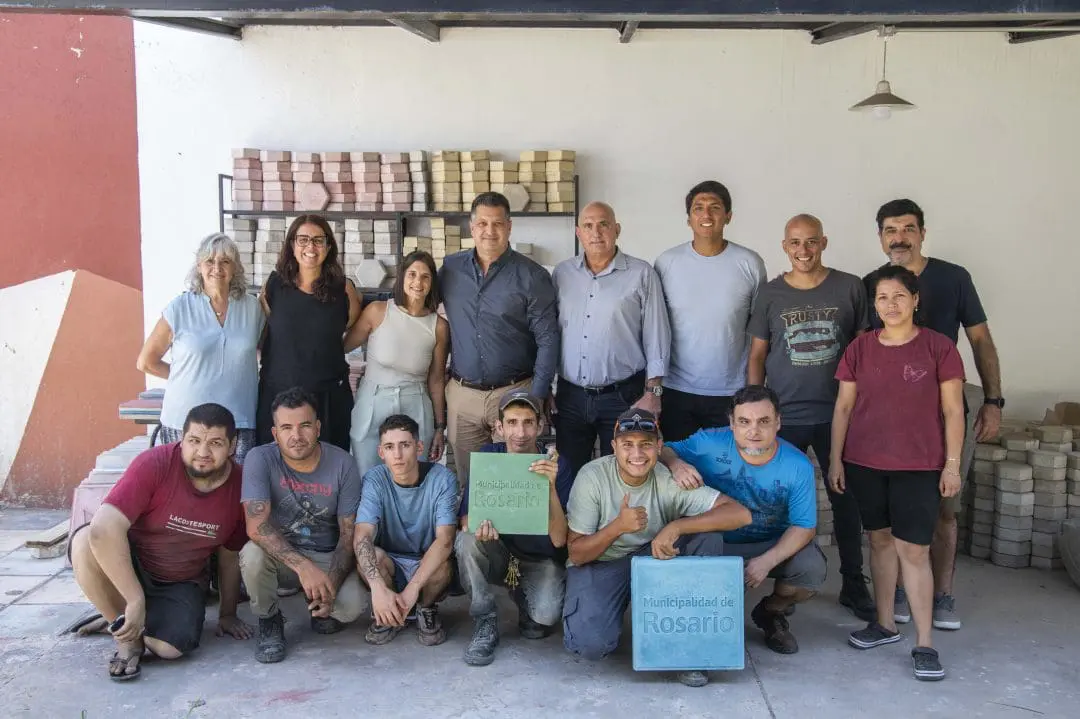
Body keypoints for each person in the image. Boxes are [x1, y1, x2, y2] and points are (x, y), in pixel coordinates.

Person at [865, 199, 1003, 631]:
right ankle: (900, 591)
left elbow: (980, 341)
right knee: (889, 517)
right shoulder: (873, 283)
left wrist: (994, 401)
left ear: (923, 232)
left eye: (908, 228)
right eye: (891, 230)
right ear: (881, 237)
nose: (900, 237)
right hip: (888, 424)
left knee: (943, 509)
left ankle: (942, 595)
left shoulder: (954, 278)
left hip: (945, 416)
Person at [830, 265, 965, 682]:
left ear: (915, 300)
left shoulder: (939, 348)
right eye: (882, 298)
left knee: (914, 551)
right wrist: (836, 459)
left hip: (919, 466)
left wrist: (952, 465)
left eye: (899, 296)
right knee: (880, 541)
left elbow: (953, 410)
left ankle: (924, 643)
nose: (890, 305)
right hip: (865, 462)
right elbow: (844, 408)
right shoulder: (860, 349)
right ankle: (885, 624)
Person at [562, 408, 752, 688]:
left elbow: (740, 514)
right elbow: (576, 554)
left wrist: (676, 527)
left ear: (659, 447)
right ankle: (629, 615)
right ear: (613, 447)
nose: (637, 454)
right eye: (627, 444)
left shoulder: (667, 478)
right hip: (601, 562)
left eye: (646, 444)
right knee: (589, 643)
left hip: (652, 558)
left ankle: (690, 651)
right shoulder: (592, 477)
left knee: (707, 536)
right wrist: (618, 527)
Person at [746, 214, 874, 621]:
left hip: (839, 412)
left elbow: (864, 351)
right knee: (773, 497)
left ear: (824, 243)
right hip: (785, 416)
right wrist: (755, 408)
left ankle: (854, 582)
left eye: (812, 242)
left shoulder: (849, 287)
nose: (804, 251)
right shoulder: (770, 294)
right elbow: (757, 356)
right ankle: (773, 577)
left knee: (846, 500)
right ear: (784, 246)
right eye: (795, 243)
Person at [70, 403, 252, 682]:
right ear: (181, 438)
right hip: (131, 567)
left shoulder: (241, 486)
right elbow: (104, 529)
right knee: (84, 542)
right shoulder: (155, 463)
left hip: (181, 582)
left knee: (171, 649)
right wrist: (134, 599)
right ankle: (126, 636)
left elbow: (229, 555)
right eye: (194, 441)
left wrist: (228, 614)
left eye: (215, 443)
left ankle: (119, 621)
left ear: (232, 445)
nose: (203, 452)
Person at [660, 385, 827, 655]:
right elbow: (665, 449)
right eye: (744, 422)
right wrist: (677, 465)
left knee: (811, 568)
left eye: (764, 421)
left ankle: (770, 613)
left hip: (768, 544)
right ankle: (701, 634)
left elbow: (804, 526)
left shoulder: (798, 466)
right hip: (715, 542)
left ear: (778, 422)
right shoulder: (708, 443)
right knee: (702, 551)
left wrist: (767, 561)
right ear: (732, 424)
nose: (754, 431)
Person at [439, 192, 560, 485]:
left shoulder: (532, 276)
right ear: (471, 226)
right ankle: (475, 531)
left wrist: (537, 396)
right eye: (482, 223)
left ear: (509, 226)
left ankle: (515, 533)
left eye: (497, 224)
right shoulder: (450, 269)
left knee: (516, 481)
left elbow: (548, 339)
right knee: (470, 482)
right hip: (462, 395)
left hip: (514, 394)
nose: (489, 231)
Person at [240, 387, 366, 664]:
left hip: (326, 553)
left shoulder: (343, 463)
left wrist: (330, 584)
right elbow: (256, 525)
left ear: (318, 427)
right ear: (275, 433)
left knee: (351, 607)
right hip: (282, 555)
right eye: (286, 427)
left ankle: (319, 606)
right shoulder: (259, 458)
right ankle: (269, 619)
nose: (296, 436)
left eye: (305, 425)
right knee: (252, 555)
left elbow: (348, 534)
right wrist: (303, 567)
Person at [552, 201, 670, 477]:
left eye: (604, 224)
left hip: (623, 395)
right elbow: (551, 332)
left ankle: (620, 522)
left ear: (616, 229)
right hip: (570, 397)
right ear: (578, 233)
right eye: (588, 226)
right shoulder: (562, 274)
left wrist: (653, 393)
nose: (596, 232)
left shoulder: (641, 274)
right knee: (569, 473)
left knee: (622, 474)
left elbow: (657, 335)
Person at [456, 390, 574, 666]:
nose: (520, 432)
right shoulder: (489, 457)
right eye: (511, 422)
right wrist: (480, 527)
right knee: (466, 541)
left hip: (539, 559)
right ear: (499, 427)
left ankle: (523, 600)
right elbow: (465, 522)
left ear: (540, 425)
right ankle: (485, 619)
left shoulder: (557, 464)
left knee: (544, 615)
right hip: (500, 553)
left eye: (528, 422)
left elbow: (559, 540)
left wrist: (551, 488)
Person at [654, 181, 766, 442]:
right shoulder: (667, 263)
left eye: (715, 208)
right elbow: (655, 328)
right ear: (689, 218)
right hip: (677, 390)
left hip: (732, 391)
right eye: (698, 208)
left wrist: (753, 392)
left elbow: (760, 330)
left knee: (727, 474)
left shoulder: (750, 263)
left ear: (728, 216)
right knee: (680, 472)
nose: (706, 215)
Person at [137, 233, 264, 462]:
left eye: (225, 261)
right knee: (185, 493)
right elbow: (146, 361)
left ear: (235, 267)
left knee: (233, 493)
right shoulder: (179, 308)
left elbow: (267, 350)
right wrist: (187, 377)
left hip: (239, 422)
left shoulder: (252, 308)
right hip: (186, 422)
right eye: (209, 261)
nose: (217, 267)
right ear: (199, 266)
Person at [256, 214, 362, 451]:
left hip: (327, 398)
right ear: (292, 245)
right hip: (278, 394)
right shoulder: (273, 286)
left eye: (318, 240)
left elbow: (350, 327)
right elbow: (263, 335)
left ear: (328, 246)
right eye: (302, 239)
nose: (310, 247)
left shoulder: (344, 289)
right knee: (277, 472)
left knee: (327, 471)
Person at [353, 414, 457, 646]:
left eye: (405, 445)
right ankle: (387, 611)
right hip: (391, 562)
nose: (397, 455)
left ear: (418, 447)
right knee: (368, 556)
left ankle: (425, 609)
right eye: (390, 447)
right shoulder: (375, 479)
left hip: (425, 564)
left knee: (444, 563)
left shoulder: (442, 478)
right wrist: (378, 588)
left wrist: (413, 590)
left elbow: (445, 540)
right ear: (381, 452)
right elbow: (363, 535)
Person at [345, 250, 450, 477]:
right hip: (373, 402)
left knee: (412, 476)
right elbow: (341, 348)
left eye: (425, 277)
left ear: (432, 283)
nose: (417, 282)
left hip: (416, 404)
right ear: (402, 277)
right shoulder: (378, 311)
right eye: (412, 274)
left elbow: (437, 379)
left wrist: (440, 427)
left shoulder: (438, 326)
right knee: (367, 473)